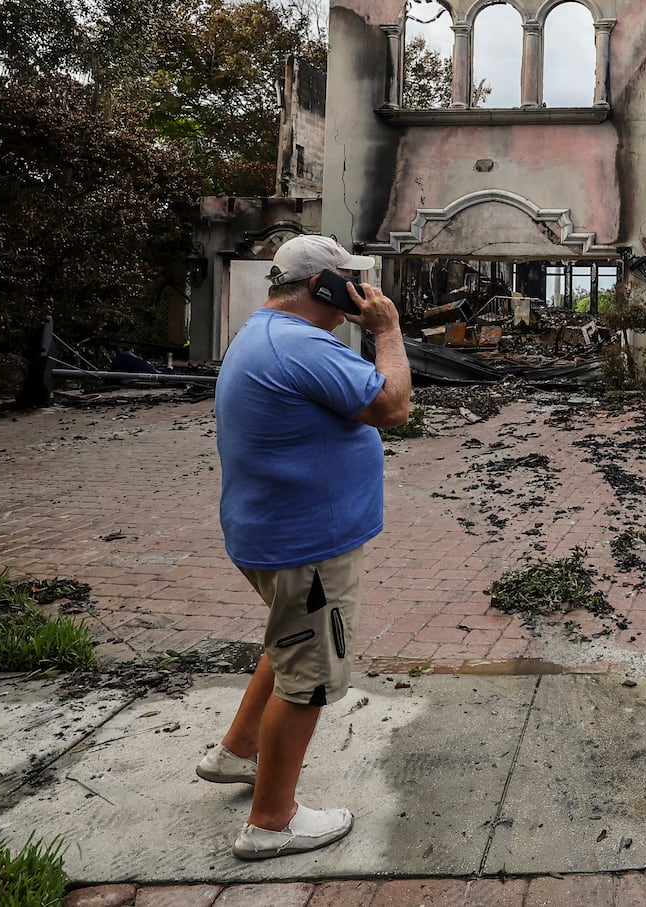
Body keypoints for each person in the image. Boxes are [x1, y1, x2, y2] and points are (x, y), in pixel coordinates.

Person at [196, 233, 411, 860]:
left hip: (275, 534)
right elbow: (393, 405)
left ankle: (237, 753)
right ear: (327, 286)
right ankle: (271, 822)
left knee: (290, 640)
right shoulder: (300, 345)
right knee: (308, 680)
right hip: (307, 546)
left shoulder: (262, 333)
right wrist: (388, 332)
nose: (364, 291)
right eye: (353, 281)